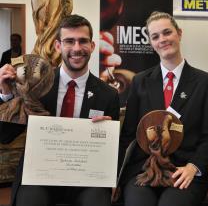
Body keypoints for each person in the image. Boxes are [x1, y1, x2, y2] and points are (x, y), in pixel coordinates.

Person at [0, 14, 119, 206]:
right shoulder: (35, 86)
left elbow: (113, 152)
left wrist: (104, 135)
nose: (77, 48)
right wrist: (6, 95)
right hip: (39, 176)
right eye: (69, 41)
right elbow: (5, 135)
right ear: (58, 46)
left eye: (83, 41)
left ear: (92, 46)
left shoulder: (108, 95)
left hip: (86, 180)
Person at [118, 11, 208, 206]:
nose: (162, 39)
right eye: (155, 36)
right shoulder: (140, 81)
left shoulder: (205, 82)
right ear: (151, 42)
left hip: (185, 170)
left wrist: (194, 166)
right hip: (144, 169)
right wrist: (118, 176)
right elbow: (129, 134)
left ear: (179, 34)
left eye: (167, 33)